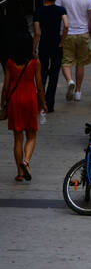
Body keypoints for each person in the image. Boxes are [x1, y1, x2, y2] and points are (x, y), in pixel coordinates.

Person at [1, 34, 47, 181]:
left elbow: (6, 86)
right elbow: (39, 86)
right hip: (30, 99)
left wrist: (2, 103)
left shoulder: (10, 62)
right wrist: (44, 103)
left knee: (17, 138)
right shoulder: (35, 62)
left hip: (15, 100)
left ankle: (20, 173)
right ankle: (26, 162)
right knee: (32, 135)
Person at [60, 0, 91, 103]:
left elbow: (58, 13)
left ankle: (70, 80)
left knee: (65, 62)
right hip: (82, 33)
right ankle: (78, 92)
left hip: (67, 33)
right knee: (81, 63)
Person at [32, 0, 67, 114]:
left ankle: (40, 101)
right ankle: (50, 103)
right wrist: (62, 41)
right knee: (54, 74)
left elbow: (37, 32)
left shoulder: (38, 11)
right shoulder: (60, 10)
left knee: (42, 73)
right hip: (57, 43)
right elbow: (67, 25)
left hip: (44, 44)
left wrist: (33, 48)